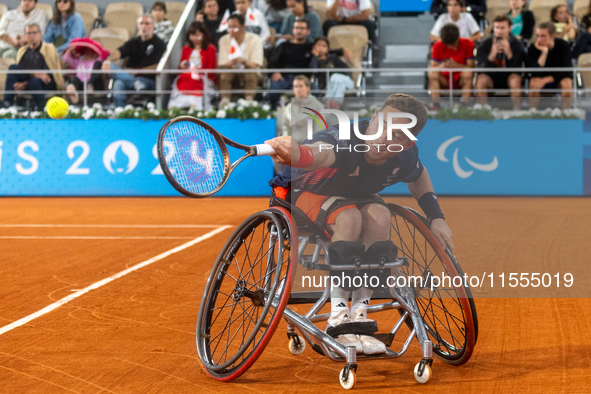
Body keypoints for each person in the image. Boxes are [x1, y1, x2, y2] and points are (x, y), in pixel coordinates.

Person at [265, 93, 454, 355]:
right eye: (383, 125)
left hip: (353, 194)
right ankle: (338, 316)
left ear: (408, 144)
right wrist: (297, 152)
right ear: (374, 117)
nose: (384, 137)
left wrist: (437, 217)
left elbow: (418, 176)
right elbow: (318, 155)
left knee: (381, 216)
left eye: (397, 136)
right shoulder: (344, 140)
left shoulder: (406, 157)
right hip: (305, 190)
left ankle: (359, 313)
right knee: (349, 218)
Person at [101, 14, 167, 108]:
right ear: (138, 26)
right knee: (117, 81)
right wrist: (108, 61)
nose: (144, 26)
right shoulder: (133, 41)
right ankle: (120, 112)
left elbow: (158, 66)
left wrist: (137, 71)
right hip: (131, 78)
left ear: (153, 26)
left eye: (147, 23)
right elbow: (119, 52)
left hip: (147, 79)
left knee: (119, 81)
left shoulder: (159, 44)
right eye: (141, 23)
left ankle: (121, 106)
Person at [3, 23, 65, 110]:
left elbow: (50, 73)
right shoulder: (22, 50)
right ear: (25, 36)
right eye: (29, 33)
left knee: (34, 81)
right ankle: (7, 104)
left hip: (47, 81)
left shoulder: (49, 48)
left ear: (40, 34)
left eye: (34, 33)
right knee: (12, 68)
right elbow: (20, 72)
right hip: (29, 79)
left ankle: (41, 110)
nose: (32, 35)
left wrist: (24, 84)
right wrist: (34, 74)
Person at [475, 15, 525, 110]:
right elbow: (481, 69)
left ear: (509, 28)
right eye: (497, 28)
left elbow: (519, 69)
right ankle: (481, 112)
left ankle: (517, 112)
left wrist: (509, 53)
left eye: (502, 28)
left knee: (515, 80)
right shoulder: (485, 44)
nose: (499, 31)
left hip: (509, 77)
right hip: (491, 77)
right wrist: (492, 55)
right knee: (481, 79)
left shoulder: (517, 44)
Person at [217, 14, 263, 107]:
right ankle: (225, 101)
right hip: (232, 71)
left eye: (234, 26)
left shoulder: (255, 39)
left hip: (249, 69)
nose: (231, 30)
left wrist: (243, 61)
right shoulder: (223, 40)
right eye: (229, 27)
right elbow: (222, 64)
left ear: (243, 27)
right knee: (225, 73)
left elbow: (256, 64)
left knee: (250, 71)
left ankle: (249, 101)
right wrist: (230, 63)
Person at [168, 22, 217, 109]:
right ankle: (176, 106)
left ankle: (195, 106)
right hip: (186, 76)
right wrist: (182, 66)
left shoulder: (211, 49)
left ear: (204, 35)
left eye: (197, 35)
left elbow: (211, 70)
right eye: (192, 35)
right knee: (183, 78)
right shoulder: (185, 49)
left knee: (193, 80)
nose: (194, 38)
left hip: (202, 77)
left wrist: (198, 70)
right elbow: (180, 69)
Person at [526, 22, 572, 110]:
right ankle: (532, 113)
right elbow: (532, 72)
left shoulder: (563, 46)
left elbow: (566, 71)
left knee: (567, 83)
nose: (539, 39)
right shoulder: (533, 48)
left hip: (557, 79)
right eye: (537, 36)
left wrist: (545, 80)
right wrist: (544, 53)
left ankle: (567, 113)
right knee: (533, 84)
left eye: (543, 36)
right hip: (540, 78)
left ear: (551, 36)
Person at [429, 23, 475, 109]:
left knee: (468, 73)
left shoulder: (468, 43)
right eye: (448, 45)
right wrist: (440, 67)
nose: (451, 47)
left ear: (458, 38)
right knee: (433, 74)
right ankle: (436, 105)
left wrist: (457, 66)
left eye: (453, 44)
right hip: (444, 79)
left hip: (460, 78)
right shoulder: (437, 45)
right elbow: (433, 67)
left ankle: (465, 105)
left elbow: (471, 67)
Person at [309, 36, 354, 108]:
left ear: (327, 49)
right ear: (314, 47)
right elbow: (314, 71)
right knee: (337, 83)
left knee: (335, 78)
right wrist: (315, 56)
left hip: (346, 82)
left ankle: (329, 101)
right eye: (318, 45)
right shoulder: (313, 60)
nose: (321, 48)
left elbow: (347, 70)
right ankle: (334, 104)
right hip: (332, 87)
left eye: (324, 46)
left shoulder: (333, 58)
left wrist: (337, 77)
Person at [62, 37, 109, 104]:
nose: (89, 53)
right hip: (82, 84)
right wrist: (70, 49)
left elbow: (103, 56)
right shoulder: (79, 61)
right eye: (87, 51)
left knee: (98, 65)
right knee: (74, 78)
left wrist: (96, 47)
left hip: (94, 85)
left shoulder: (97, 61)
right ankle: (72, 91)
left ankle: (90, 85)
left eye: (91, 51)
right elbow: (66, 59)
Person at [281, 74, 324, 142]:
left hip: (310, 147)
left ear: (308, 88)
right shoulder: (289, 107)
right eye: (295, 86)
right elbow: (285, 128)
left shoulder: (317, 106)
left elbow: (319, 130)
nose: (298, 89)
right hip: (292, 147)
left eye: (301, 86)